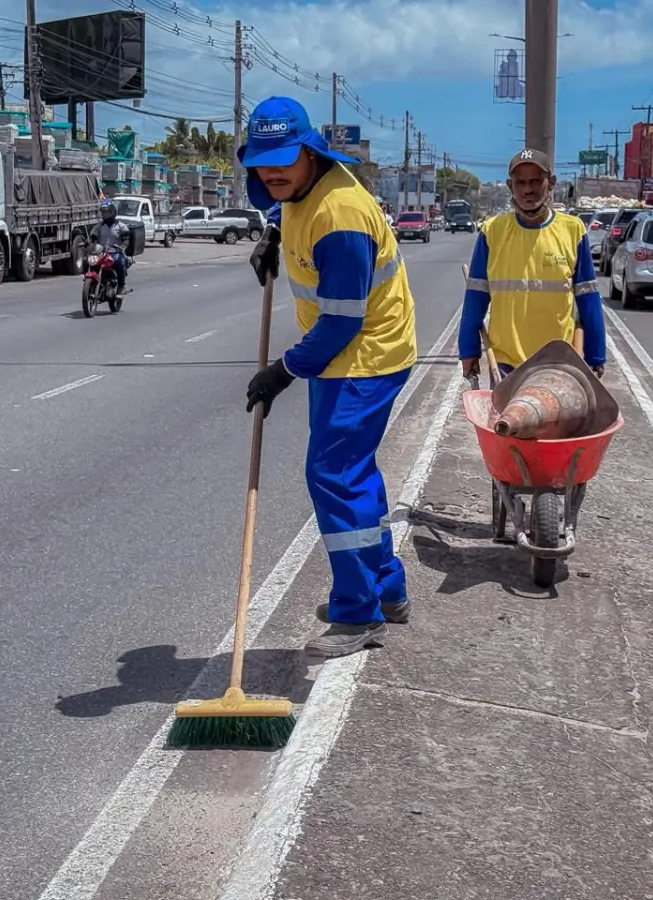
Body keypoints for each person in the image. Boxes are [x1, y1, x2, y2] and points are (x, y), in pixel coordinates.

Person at [240, 96, 418, 659]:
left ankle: (358, 611)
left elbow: (342, 322)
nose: (272, 172)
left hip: (365, 355)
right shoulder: (297, 190)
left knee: (333, 476)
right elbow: (287, 209)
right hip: (349, 356)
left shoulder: (339, 218)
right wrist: (272, 236)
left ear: (310, 153)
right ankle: (386, 588)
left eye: (283, 160)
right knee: (352, 475)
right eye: (262, 161)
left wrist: (281, 372)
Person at [459, 149, 606, 381]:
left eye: (536, 181)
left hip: (559, 363)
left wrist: (596, 356)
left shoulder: (573, 230)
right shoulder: (492, 231)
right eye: (521, 182)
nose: (528, 189)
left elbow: (588, 299)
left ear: (551, 183)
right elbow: (475, 297)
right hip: (506, 364)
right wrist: (468, 350)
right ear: (510, 186)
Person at [90, 201, 132, 293]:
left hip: (115, 253)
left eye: (108, 212)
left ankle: (121, 286)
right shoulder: (99, 226)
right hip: (101, 253)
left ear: (113, 213)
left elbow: (126, 239)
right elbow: (92, 237)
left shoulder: (121, 226)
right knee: (91, 262)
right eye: (104, 213)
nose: (105, 215)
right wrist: (87, 243)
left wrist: (123, 246)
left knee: (120, 262)